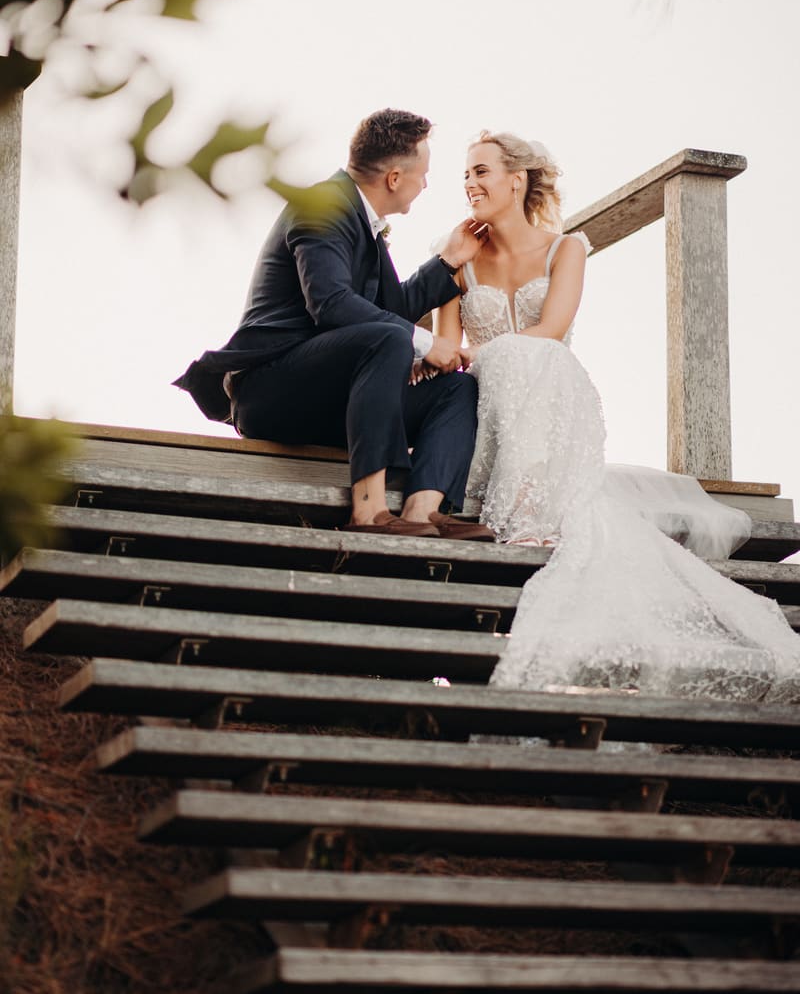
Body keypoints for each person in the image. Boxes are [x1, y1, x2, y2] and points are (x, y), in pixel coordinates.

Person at [435, 130, 800, 702]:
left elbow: (552, 330)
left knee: (537, 355)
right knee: (515, 359)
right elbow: (444, 348)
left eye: (480, 172)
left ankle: (534, 509)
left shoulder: (567, 248)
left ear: (516, 179)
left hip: (553, 401)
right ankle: (522, 510)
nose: (469, 184)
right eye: (465, 174)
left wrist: (477, 353)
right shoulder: (456, 256)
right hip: (484, 406)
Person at [174, 109, 493, 541]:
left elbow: (388, 308)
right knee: (388, 337)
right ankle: (369, 512)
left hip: (333, 396)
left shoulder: (362, 220)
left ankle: (422, 511)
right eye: (424, 175)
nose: (426, 184)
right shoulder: (322, 206)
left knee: (458, 389)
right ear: (395, 178)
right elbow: (332, 306)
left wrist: (448, 262)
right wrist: (424, 340)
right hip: (272, 391)